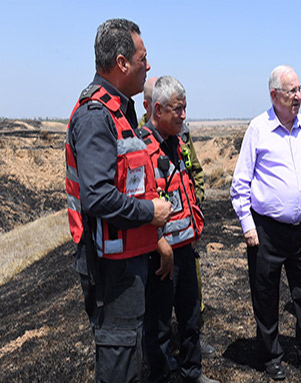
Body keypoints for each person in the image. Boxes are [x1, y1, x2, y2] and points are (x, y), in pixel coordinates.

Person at [65, 18, 173, 383]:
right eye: (143, 58)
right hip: (111, 269)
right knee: (119, 364)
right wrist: (151, 213)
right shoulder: (96, 115)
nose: (148, 66)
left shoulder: (119, 110)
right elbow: (97, 197)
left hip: (129, 259)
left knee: (131, 357)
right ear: (123, 62)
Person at [230, 65, 301, 380]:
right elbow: (240, 184)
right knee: (266, 295)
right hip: (267, 232)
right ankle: (270, 355)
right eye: (292, 91)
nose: (299, 96)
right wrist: (248, 226)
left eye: (300, 90)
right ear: (274, 95)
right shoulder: (258, 129)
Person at [140, 76, 219, 383]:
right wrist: (159, 243)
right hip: (160, 253)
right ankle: (159, 377)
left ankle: (192, 373)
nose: (184, 116)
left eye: (185, 108)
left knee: (190, 317)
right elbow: (141, 203)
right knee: (159, 325)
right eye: (177, 110)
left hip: (186, 246)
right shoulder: (141, 148)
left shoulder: (179, 142)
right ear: (157, 109)